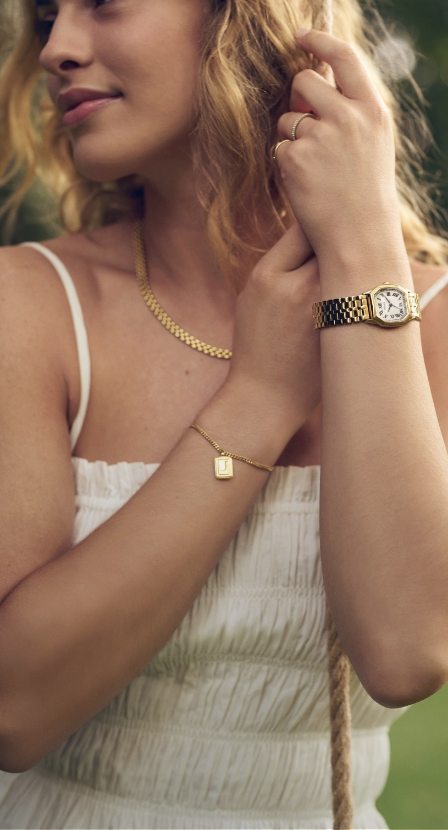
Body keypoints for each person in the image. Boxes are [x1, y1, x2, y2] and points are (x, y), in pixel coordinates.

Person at [0, 0, 447, 827]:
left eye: (100, 4)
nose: (57, 47)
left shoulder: (435, 319)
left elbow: (404, 651)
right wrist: (259, 400)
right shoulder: (28, 305)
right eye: (45, 17)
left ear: (242, 18)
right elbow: (13, 707)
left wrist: (362, 251)